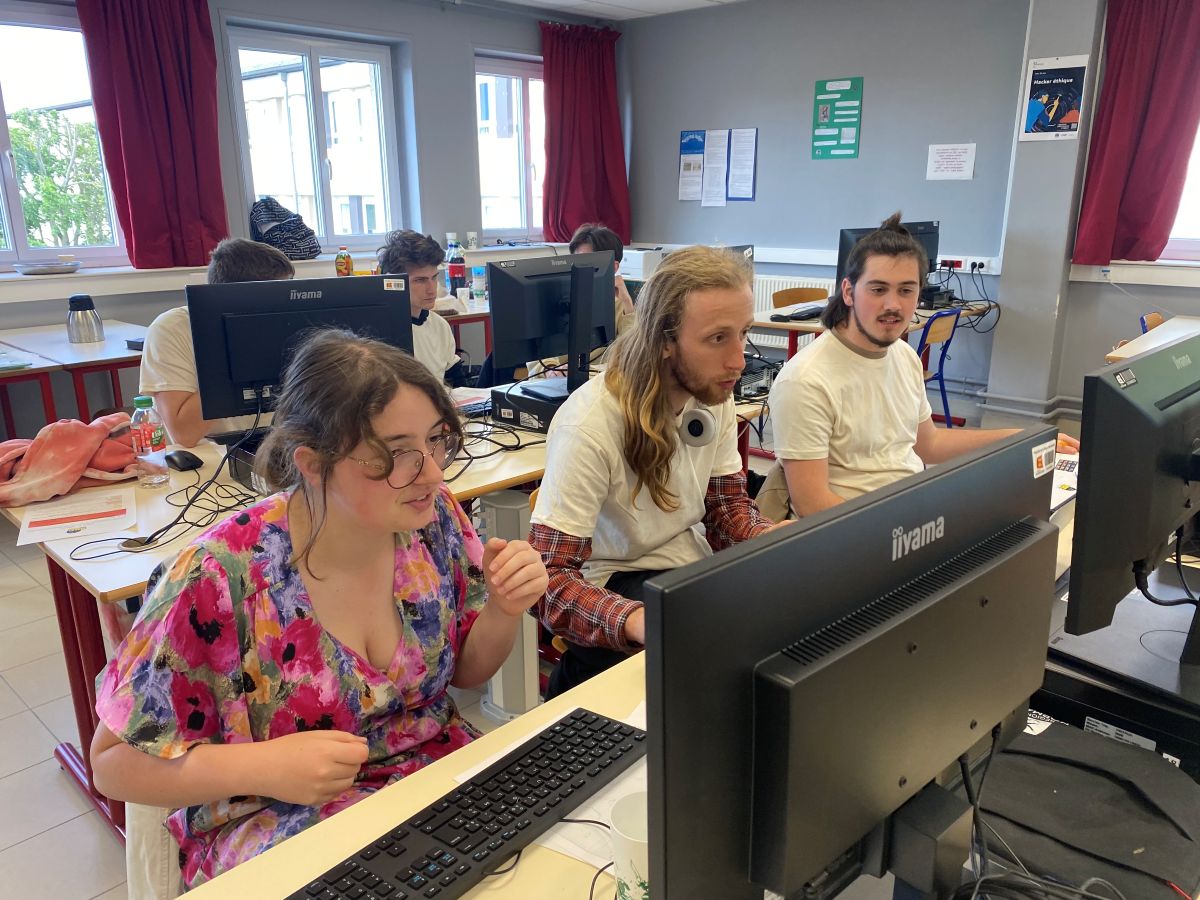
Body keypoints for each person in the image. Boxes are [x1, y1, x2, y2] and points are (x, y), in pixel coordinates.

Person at [90, 329, 548, 888]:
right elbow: (112, 763)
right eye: (396, 454)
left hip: (432, 785)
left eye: (436, 442)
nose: (431, 472)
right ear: (312, 464)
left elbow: (468, 672)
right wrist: (265, 766)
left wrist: (503, 609)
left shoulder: (432, 521)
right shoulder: (220, 575)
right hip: (276, 819)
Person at [529, 245, 783, 696]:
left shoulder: (712, 391)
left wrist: (775, 541)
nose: (739, 360)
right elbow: (548, 581)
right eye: (717, 338)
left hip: (683, 574)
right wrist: (635, 620)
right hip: (612, 584)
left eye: (743, 333)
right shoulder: (589, 425)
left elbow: (725, 509)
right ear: (665, 340)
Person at [767, 213, 1079, 519]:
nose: (893, 305)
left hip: (913, 512)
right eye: (878, 289)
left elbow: (929, 444)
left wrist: (1024, 439)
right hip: (856, 532)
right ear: (849, 292)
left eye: (906, 290)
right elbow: (813, 505)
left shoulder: (903, 355)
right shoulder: (806, 381)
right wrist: (910, 529)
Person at [139, 237, 295, 446]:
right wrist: (240, 348)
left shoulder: (290, 323)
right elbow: (183, 434)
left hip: (280, 445)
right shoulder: (171, 329)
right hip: (213, 452)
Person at [377, 229, 468, 387]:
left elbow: (458, 384)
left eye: (434, 278)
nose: (432, 289)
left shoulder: (440, 326)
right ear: (394, 281)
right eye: (420, 280)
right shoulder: (381, 334)